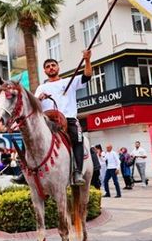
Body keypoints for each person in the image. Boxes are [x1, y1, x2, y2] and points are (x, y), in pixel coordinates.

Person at [13, 50, 92, 186]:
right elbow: (33, 105)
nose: (51, 68)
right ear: (45, 71)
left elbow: (87, 76)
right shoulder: (41, 87)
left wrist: (87, 60)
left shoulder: (69, 81)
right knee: (28, 138)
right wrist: (39, 98)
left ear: (58, 67)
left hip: (67, 119)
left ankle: (77, 171)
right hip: (46, 121)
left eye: (53, 65)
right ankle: (25, 171)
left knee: (77, 137)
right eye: (48, 66)